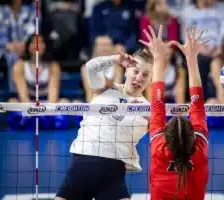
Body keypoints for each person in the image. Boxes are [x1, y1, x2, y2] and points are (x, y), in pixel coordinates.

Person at [55, 46, 155, 199]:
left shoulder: (148, 109)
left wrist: (149, 117)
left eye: (146, 74)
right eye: (136, 71)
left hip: (113, 173)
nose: (139, 77)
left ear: (151, 79)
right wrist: (115, 59)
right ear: (126, 71)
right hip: (82, 163)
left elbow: (162, 136)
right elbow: (91, 67)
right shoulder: (107, 88)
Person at [140, 25, 209, 199]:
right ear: (192, 135)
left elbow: (157, 102)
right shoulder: (198, 148)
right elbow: (197, 104)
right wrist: (192, 59)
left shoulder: (159, 148)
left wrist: (157, 58)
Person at [10, 35, 61, 103]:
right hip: (27, 103)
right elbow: (23, 96)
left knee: (64, 102)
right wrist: (31, 111)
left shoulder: (54, 66)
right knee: (12, 102)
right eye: (33, 43)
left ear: (45, 46)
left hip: (47, 103)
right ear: (28, 46)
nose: (37, 46)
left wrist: (47, 110)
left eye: (40, 43)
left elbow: (53, 96)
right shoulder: (19, 66)